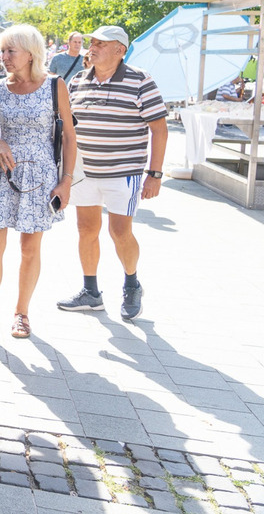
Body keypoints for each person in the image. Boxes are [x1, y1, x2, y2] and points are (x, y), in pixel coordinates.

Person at [0, 25, 76, 341]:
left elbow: (68, 136)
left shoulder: (55, 86)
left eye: (11, 51)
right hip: (3, 173)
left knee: (29, 247)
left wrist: (66, 182)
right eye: (3, 50)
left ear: (31, 53)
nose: (5, 57)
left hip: (40, 177)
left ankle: (21, 314)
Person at [57, 25, 167, 321]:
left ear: (120, 49)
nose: (91, 48)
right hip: (83, 171)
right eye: (91, 42)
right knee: (86, 230)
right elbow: (67, 127)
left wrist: (155, 174)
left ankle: (132, 283)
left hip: (124, 172)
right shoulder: (79, 79)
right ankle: (90, 292)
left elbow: (159, 129)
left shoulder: (141, 80)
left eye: (100, 44)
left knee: (119, 232)